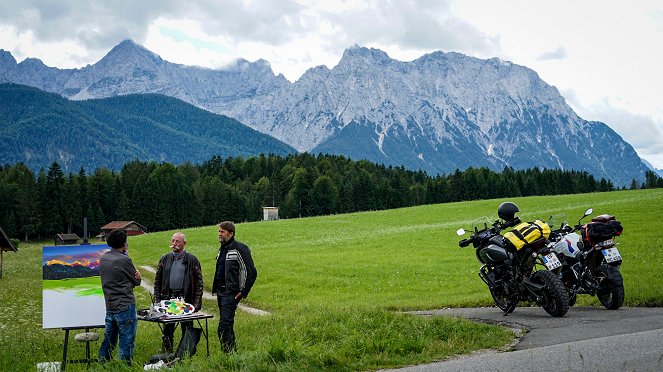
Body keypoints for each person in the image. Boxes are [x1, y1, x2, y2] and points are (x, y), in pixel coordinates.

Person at [153, 232, 204, 352]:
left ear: (184, 243)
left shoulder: (192, 260)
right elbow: (157, 281)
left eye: (177, 241)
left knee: (187, 329)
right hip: (168, 300)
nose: (174, 244)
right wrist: (157, 300)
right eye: (173, 241)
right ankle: (167, 353)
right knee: (168, 330)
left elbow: (199, 284)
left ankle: (186, 354)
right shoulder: (164, 259)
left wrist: (196, 304)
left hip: (185, 300)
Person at [212, 221, 257, 352]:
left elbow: (251, 272)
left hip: (230, 293)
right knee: (228, 326)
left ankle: (228, 356)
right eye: (219, 231)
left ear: (231, 233)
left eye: (222, 231)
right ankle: (233, 355)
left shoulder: (240, 249)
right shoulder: (222, 249)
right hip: (221, 293)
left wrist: (243, 291)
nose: (219, 234)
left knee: (223, 327)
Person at [98, 229, 141, 364]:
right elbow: (136, 281)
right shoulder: (124, 260)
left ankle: (103, 364)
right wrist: (138, 277)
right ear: (124, 243)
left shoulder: (103, 258)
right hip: (124, 306)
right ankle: (124, 367)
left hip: (110, 306)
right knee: (126, 340)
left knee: (109, 338)